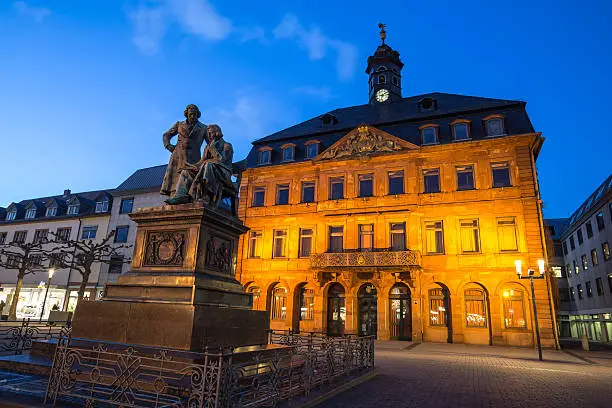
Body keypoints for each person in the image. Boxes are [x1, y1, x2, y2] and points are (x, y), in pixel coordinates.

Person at [166, 125, 236, 207]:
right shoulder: (207, 147)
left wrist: (212, 149)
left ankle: (205, 195)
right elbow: (201, 161)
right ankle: (181, 196)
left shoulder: (227, 146)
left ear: (217, 133)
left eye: (210, 133)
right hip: (207, 169)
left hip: (223, 172)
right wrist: (191, 166)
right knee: (186, 171)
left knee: (208, 165)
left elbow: (221, 160)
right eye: (208, 134)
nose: (209, 136)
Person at [160, 104, 208, 197]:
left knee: (190, 180)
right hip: (178, 156)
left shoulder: (203, 128)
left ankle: (188, 196)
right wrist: (168, 145)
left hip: (194, 157)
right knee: (175, 179)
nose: (192, 116)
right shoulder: (179, 124)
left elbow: (210, 143)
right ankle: (174, 197)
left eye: (194, 114)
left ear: (198, 114)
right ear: (186, 114)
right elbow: (166, 135)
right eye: (190, 114)